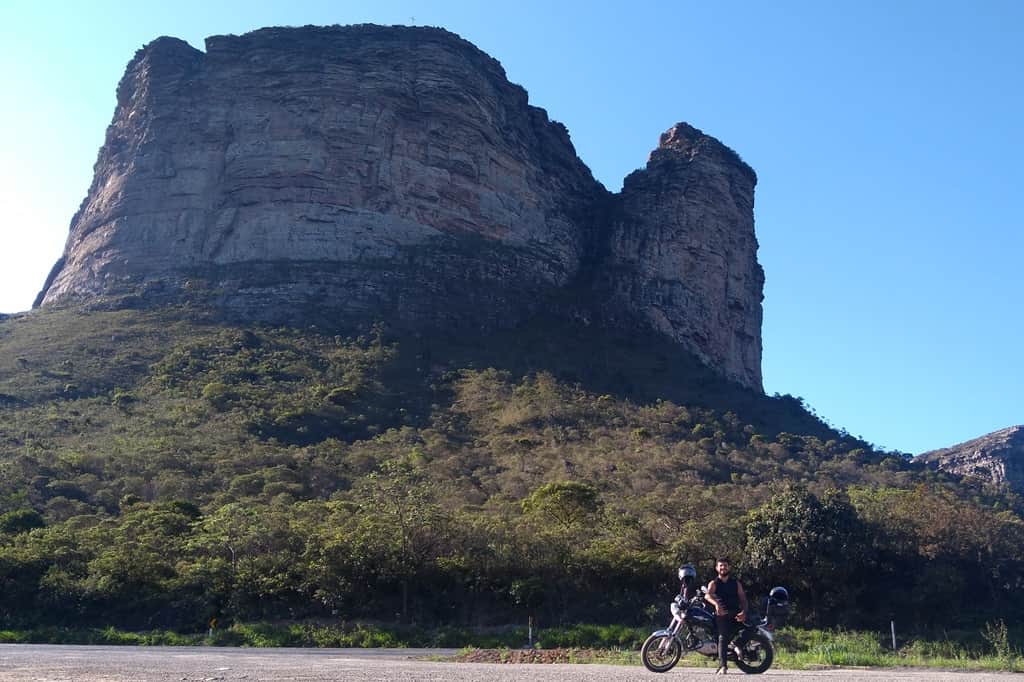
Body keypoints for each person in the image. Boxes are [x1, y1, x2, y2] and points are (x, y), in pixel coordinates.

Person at [704, 557, 747, 675]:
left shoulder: (736, 583)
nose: (723, 568)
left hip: (736, 614)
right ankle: (723, 666)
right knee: (722, 637)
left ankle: (736, 644)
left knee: (754, 627)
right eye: (721, 565)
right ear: (717, 568)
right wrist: (717, 605)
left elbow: (743, 598)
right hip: (722, 614)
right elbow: (708, 596)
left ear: (729, 567)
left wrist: (744, 612)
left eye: (725, 565)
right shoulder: (714, 583)